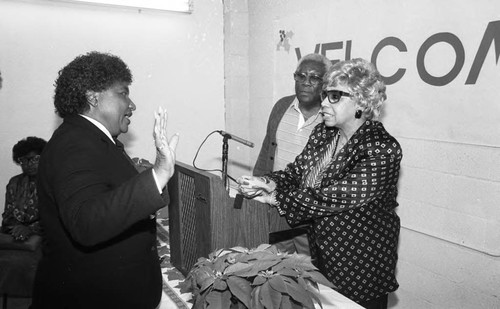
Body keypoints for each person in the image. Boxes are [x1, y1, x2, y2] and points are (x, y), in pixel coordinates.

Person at [238, 58, 402, 308]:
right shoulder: (324, 134)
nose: (323, 102)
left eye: (334, 96)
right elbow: (295, 172)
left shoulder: (381, 148)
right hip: (321, 258)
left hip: (360, 268)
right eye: (325, 94)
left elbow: (331, 197)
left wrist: (276, 198)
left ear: (360, 100)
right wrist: (266, 181)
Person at [31, 51, 179, 309]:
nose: (132, 105)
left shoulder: (92, 140)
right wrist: (159, 173)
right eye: (123, 93)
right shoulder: (75, 145)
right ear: (93, 96)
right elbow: (86, 222)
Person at [253, 53, 332, 255]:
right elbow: (266, 152)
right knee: (276, 268)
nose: (306, 83)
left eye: (314, 78)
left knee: (310, 274)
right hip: (275, 207)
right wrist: (257, 183)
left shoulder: (330, 118)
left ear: (326, 83)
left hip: (309, 215)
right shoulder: (281, 106)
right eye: (301, 76)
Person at [1, 136, 46, 242]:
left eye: (34, 159)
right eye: (23, 160)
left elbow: (55, 219)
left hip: (46, 239)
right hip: (17, 236)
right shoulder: (14, 183)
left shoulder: (54, 183)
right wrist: (18, 229)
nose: (28, 164)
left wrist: (30, 229)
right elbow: (7, 216)